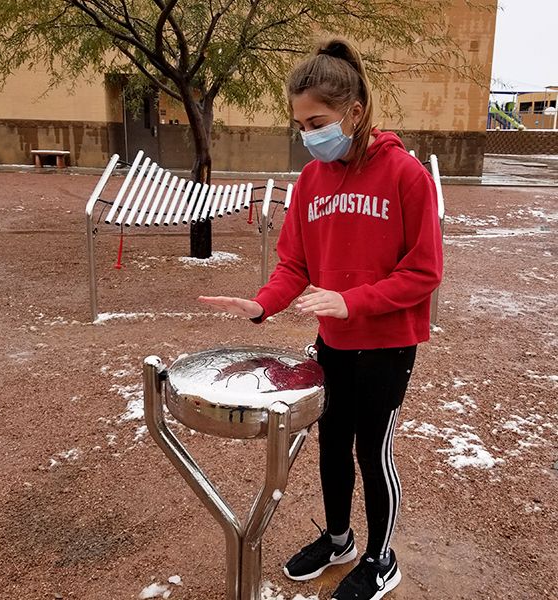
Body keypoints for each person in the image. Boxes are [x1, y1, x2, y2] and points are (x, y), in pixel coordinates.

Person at [199, 37, 443, 600]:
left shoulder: (406, 175)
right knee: (331, 444)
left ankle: (382, 560)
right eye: (301, 125)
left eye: (317, 121)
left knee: (370, 450)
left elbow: (425, 271)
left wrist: (352, 301)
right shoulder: (310, 183)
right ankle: (338, 540)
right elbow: (294, 264)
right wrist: (263, 303)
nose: (308, 135)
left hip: (387, 344)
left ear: (354, 113)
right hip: (333, 343)